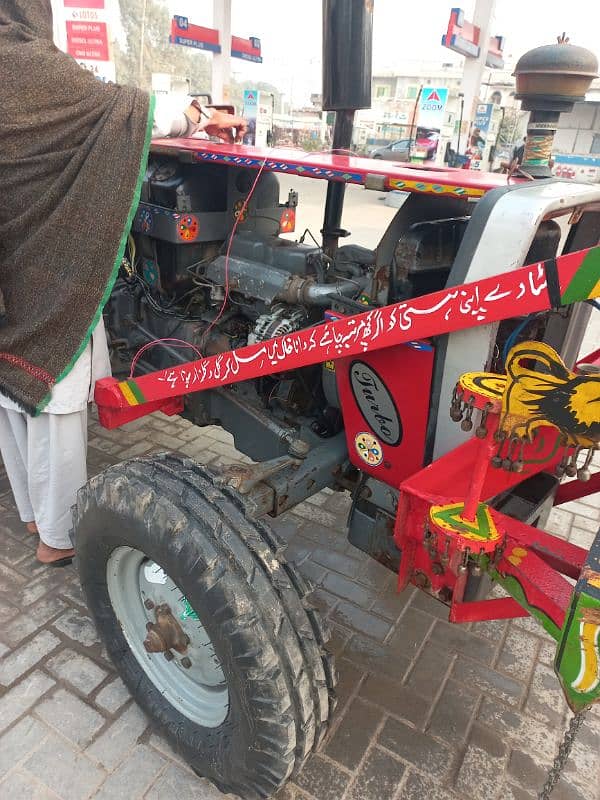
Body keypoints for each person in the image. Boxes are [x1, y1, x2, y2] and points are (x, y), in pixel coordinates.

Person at [0, 1, 247, 566]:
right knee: (53, 395)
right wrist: (196, 115)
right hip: (44, 263)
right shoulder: (20, 62)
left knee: (11, 388)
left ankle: (34, 513)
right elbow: (119, 111)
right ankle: (56, 539)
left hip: (10, 261)